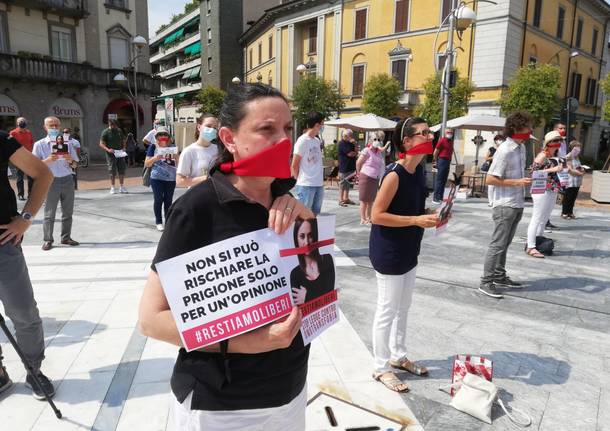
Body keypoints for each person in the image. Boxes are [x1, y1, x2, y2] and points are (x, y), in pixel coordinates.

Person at [138, 83, 315, 431]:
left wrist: (302, 215)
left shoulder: (290, 201)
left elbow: (312, 278)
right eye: (267, 129)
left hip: (290, 391)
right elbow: (151, 320)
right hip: (222, 404)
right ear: (228, 138)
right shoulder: (196, 208)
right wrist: (253, 343)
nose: (282, 140)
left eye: (287, 129)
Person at [369, 117, 439, 393]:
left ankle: (398, 355)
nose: (429, 138)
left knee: (404, 307)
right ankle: (380, 366)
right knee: (386, 310)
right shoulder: (394, 174)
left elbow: (414, 210)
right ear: (407, 141)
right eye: (422, 134)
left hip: (410, 247)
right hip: (389, 250)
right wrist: (415, 220)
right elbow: (377, 215)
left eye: (429, 133)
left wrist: (432, 217)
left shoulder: (418, 172)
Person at [0, 131, 55, 399]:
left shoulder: (0, 140)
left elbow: (43, 174)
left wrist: (26, 218)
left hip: (3, 243)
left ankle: (34, 370)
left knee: (23, 313)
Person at [480, 112, 533, 298]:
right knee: (498, 244)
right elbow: (490, 179)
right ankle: (486, 281)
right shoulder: (505, 150)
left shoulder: (521, 147)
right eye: (527, 127)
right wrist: (517, 182)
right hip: (504, 204)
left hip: (517, 202)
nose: (530, 130)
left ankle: (499, 276)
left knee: (505, 243)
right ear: (516, 129)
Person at [33, 117, 80, 250]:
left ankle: (66, 237)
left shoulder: (68, 144)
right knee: (49, 212)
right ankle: (48, 239)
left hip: (67, 179)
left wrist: (70, 160)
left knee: (68, 211)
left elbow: (76, 165)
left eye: (56, 125)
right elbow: (34, 166)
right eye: (51, 125)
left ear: (60, 127)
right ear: (45, 127)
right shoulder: (39, 144)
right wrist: (47, 160)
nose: (54, 128)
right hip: (49, 180)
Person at [526, 131, 564, 258]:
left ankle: (538, 242)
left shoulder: (557, 156)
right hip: (541, 190)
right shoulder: (542, 155)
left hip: (552, 189)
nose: (557, 143)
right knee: (536, 218)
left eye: (559, 141)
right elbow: (532, 172)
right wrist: (552, 169)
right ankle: (531, 246)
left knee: (544, 219)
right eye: (554, 141)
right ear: (548, 143)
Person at [290, 218, 335, 305]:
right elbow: (299, 307)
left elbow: (330, 297)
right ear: (296, 239)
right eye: (302, 236)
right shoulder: (295, 274)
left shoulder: (327, 259)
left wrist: (307, 296)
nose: (306, 242)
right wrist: (320, 294)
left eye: (310, 235)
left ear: (315, 236)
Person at [144, 127, 178, 231]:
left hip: (171, 178)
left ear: (168, 136)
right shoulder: (153, 147)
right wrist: (156, 158)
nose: (163, 136)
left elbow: (179, 162)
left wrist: (176, 156)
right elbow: (147, 163)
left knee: (168, 200)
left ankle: (168, 221)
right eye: (160, 134)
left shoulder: (173, 147)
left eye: (165, 134)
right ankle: (158, 222)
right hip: (156, 178)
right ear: (157, 136)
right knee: (158, 199)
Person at [291, 112, 325, 215]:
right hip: (306, 184)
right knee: (303, 215)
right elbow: (294, 164)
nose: (323, 127)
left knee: (314, 214)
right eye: (322, 124)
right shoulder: (302, 141)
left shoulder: (316, 140)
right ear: (317, 125)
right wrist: (299, 181)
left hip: (318, 183)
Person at [176, 114, 219, 188]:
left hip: (217, 195)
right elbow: (180, 181)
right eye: (208, 126)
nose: (212, 130)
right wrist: (206, 178)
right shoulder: (189, 151)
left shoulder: (218, 149)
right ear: (199, 127)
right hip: (197, 195)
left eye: (215, 128)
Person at [356, 131, 388, 224]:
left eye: (378, 139)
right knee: (364, 199)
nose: (377, 141)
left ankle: (369, 217)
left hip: (375, 178)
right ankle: (363, 218)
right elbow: (358, 163)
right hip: (365, 176)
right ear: (370, 140)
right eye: (375, 139)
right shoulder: (366, 150)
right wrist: (358, 174)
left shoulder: (378, 152)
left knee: (371, 200)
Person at [9, 117, 34, 201]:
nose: (22, 122)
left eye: (23, 121)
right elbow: (9, 145)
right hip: (19, 157)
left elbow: (31, 144)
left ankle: (30, 194)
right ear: (17, 123)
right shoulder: (13, 133)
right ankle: (20, 194)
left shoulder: (29, 132)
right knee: (20, 177)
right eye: (20, 121)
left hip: (29, 157)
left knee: (30, 177)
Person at [99, 119, 127, 194]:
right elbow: (101, 143)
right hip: (111, 154)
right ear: (109, 124)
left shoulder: (119, 131)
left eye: (115, 125)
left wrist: (124, 147)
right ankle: (112, 187)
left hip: (120, 153)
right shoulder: (105, 132)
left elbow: (124, 140)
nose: (114, 127)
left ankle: (121, 186)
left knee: (122, 169)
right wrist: (108, 149)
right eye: (113, 125)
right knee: (112, 170)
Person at [561, 140, 585, 219]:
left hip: (577, 182)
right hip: (570, 181)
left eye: (579, 148)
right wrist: (580, 173)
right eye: (577, 148)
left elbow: (578, 167)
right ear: (572, 148)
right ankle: (564, 213)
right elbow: (569, 170)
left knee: (573, 198)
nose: (578, 150)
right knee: (568, 197)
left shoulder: (577, 157)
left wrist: (582, 169)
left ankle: (570, 212)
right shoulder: (568, 157)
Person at [432, 128, 454, 204]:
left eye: (451, 132)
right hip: (442, 160)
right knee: (440, 180)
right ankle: (436, 198)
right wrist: (435, 161)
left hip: (447, 161)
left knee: (444, 180)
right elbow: (435, 152)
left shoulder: (450, 141)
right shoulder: (442, 140)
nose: (450, 133)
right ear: (445, 133)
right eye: (448, 132)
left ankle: (440, 197)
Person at [337, 129, 358, 206]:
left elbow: (356, 151)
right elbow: (350, 154)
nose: (352, 137)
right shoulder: (341, 143)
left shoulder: (351, 143)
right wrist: (355, 153)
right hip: (344, 166)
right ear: (345, 136)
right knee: (342, 183)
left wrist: (355, 144)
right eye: (350, 135)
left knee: (348, 183)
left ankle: (346, 198)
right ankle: (340, 199)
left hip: (351, 166)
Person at [483, 135, 505, 206]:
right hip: (491, 168)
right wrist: (494, 156)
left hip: (500, 168)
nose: (500, 141)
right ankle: (491, 201)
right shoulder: (491, 149)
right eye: (498, 139)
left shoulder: (504, 149)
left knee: (498, 185)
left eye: (501, 139)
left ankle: (497, 201)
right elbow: (486, 158)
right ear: (495, 141)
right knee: (490, 186)